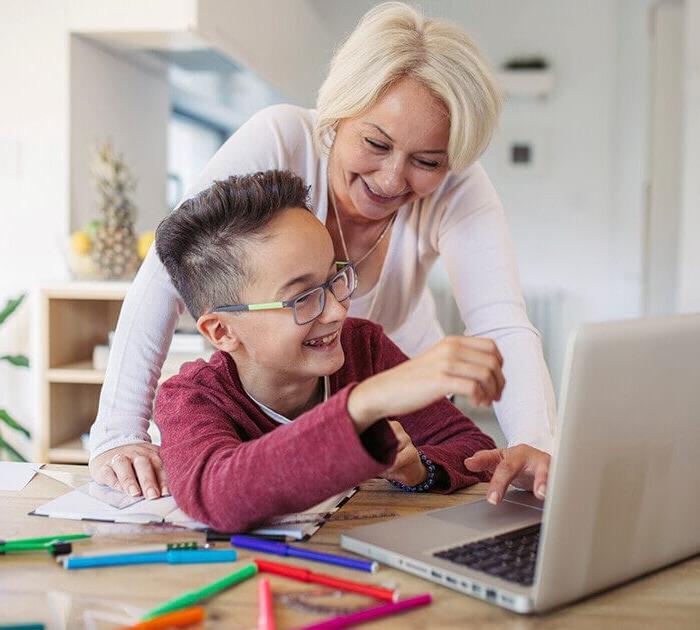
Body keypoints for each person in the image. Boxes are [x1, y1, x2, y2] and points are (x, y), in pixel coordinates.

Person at [89, 2, 555, 507]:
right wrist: (119, 430)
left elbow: (500, 323)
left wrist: (536, 442)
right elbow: (167, 273)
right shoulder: (282, 137)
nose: (393, 179)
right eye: (376, 143)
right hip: (290, 383)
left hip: (388, 374)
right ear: (338, 113)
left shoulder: (375, 340)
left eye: (426, 161)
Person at [153, 170, 513, 531]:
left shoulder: (363, 348)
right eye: (303, 298)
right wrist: (365, 402)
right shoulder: (190, 398)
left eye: (334, 280)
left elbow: (472, 448)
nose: (338, 310)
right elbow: (218, 495)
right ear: (222, 330)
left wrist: (417, 465)